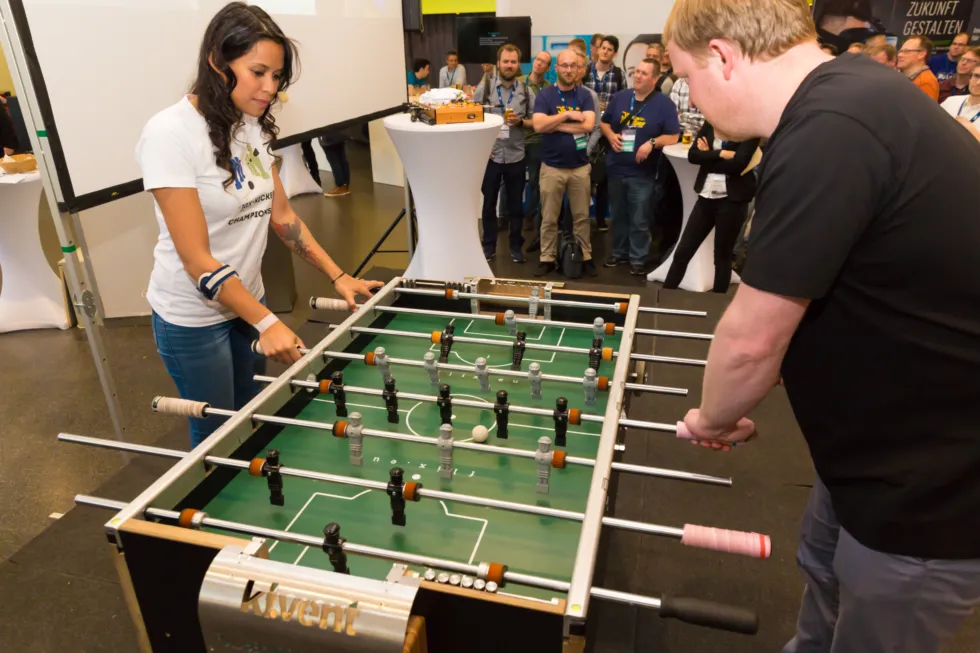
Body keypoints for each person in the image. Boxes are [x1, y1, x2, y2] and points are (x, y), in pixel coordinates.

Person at [665, 1, 980, 653]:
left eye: (686, 78)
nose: (690, 99)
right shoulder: (853, 93)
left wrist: (712, 418)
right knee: (822, 590)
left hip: (928, 494)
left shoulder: (830, 127)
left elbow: (752, 338)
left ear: (722, 56)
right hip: (867, 455)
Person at [135, 3, 382, 448]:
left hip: (248, 303)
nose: (270, 88)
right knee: (217, 436)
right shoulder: (168, 133)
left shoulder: (251, 125)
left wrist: (339, 276)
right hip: (193, 318)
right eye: (258, 72)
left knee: (250, 419)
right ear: (217, 61)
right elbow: (196, 261)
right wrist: (268, 322)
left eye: (277, 77)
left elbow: (283, 218)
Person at [600, 58, 679, 275]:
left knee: (639, 218)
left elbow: (673, 136)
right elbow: (604, 122)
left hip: (642, 173)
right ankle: (618, 253)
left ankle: (637, 259)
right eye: (636, 72)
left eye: (644, 73)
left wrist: (652, 143)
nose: (638, 76)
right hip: (616, 168)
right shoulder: (620, 97)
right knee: (618, 216)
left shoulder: (664, 105)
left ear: (654, 79)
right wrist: (610, 135)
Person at [662, 121, 759, 292]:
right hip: (705, 196)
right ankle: (664, 296)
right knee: (683, 251)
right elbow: (693, 156)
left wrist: (708, 155)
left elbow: (738, 165)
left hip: (732, 200)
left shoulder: (749, 130)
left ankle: (717, 303)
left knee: (722, 256)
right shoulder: (710, 124)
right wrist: (721, 153)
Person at [532, 49, 597, 277]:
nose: (569, 70)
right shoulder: (545, 95)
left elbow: (588, 126)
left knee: (582, 218)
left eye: (573, 66)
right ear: (556, 68)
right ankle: (547, 258)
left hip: (579, 168)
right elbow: (538, 125)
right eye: (564, 65)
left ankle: (585, 256)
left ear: (578, 69)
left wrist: (555, 124)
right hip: (552, 168)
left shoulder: (585, 96)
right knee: (549, 218)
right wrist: (567, 115)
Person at [473, 44, 533, 263]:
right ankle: (488, 246)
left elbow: (536, 120)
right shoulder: (486, 87)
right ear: (498, 63)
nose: (509, 65)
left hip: (516, 155)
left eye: (513, 62)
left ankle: (516, 247)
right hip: (491, 156)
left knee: (516, 205)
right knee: (489, 204)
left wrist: (522, 122)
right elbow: (473, 118)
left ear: (518, 64)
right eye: (506, 61)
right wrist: (482, 148)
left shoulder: (526, 90)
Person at [584, 35, 626, 233]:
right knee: (583, 173)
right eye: (603, 48)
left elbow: (624, 103)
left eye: (610, 49)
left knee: (605, 178)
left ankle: (601, 218)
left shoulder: (618, 74)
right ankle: (581, 218)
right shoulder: (585, 71)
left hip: (609, 130)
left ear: (615, 53)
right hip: (587, 128)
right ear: (597, 49)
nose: (605, 52)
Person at [522, 51, 552, 253]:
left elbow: (548, 120)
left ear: (548, 68)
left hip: (539, 141)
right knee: (512, 184)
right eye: (538, 60)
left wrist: (531, 123)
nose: (540, 64)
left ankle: (530, 218)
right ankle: (510, 218)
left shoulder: (550, 89)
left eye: (544, 63)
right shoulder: (519, 83)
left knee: (535, 182)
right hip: (516, 140)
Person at [941, 64, 980, 143]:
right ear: (970, 78)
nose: (978, 82)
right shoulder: (951, 101)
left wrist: (974, 133)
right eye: (977, 76)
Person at [898, 36, 940, 101]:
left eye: (906, 51)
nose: (900, 55)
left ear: (922, 54)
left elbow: (924, 110)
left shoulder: (925, 82)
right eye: (900, 51)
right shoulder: (908, 78)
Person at [319, 129, 350, 197]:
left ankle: (340, 185)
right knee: (341, 158)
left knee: (334, 161)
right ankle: (345, 185)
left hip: (327, 135)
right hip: (340, 132)